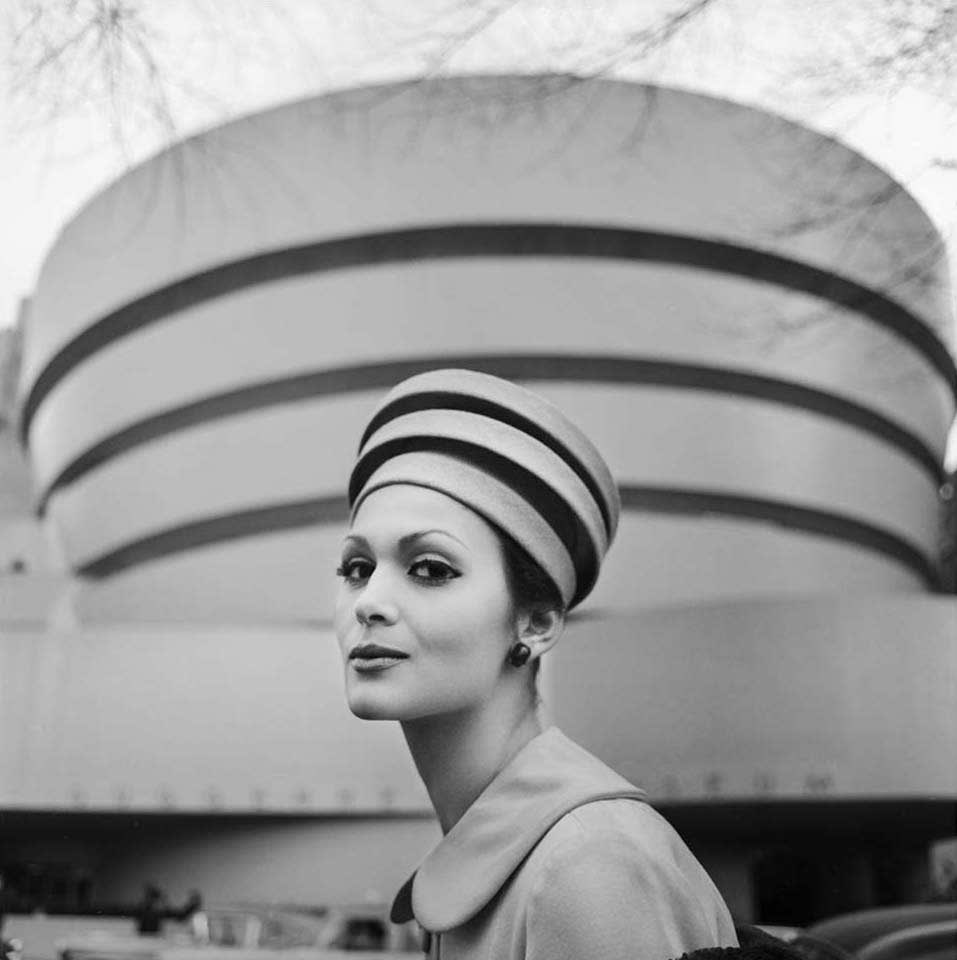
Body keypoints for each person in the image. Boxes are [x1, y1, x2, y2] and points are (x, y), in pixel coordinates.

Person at [335, 369, 738, 960]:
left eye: (430, 569)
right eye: (356, 568)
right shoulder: (536, 852)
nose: (368, 602)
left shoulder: (588, 866)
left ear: (537, 622)